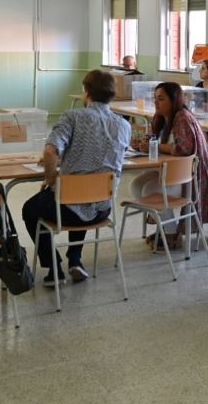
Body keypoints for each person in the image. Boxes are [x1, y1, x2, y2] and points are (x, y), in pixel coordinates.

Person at [22, 69, 130, 287]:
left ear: (86, 92)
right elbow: (101, 157)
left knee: (30, 209)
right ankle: (75, 259)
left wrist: (51, 177)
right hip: (103, 208)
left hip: (68, 209)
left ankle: (54, 267)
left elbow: (51, 151)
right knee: (82, 194)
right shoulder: (124, 125)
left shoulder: (73, 117)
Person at [130, 82, 208, 251]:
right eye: (155, 99)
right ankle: (166, 227)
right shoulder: (161, 118)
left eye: (161, 99)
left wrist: (157, 146)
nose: (156, 103)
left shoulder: (182, 118)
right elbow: (155, 140)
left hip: (188, 177)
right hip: (168, 170)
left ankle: (171, 234)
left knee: (150, 190)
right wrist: (144, 144)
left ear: (173, 100)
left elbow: (184, 149)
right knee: (136, 184)